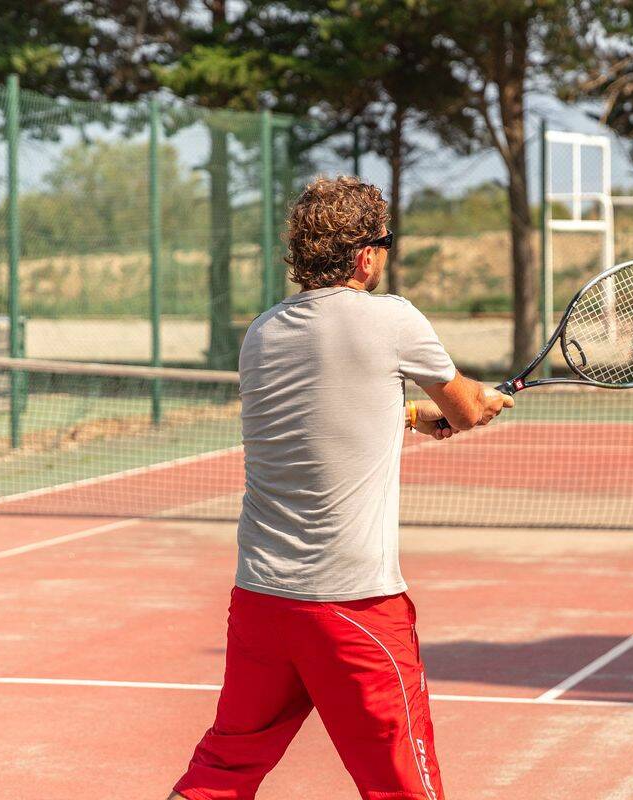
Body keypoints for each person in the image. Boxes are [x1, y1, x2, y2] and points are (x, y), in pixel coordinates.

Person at [169, 175, 512, 800]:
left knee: (222, 773)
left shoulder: (263, 333)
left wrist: (408, 416)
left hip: (262, 601)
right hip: (354, 606)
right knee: (403, 786)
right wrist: (476, 403)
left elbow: (317, 413)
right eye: (384, 243)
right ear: (365, 255)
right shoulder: (393, 319)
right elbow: (463, 409)